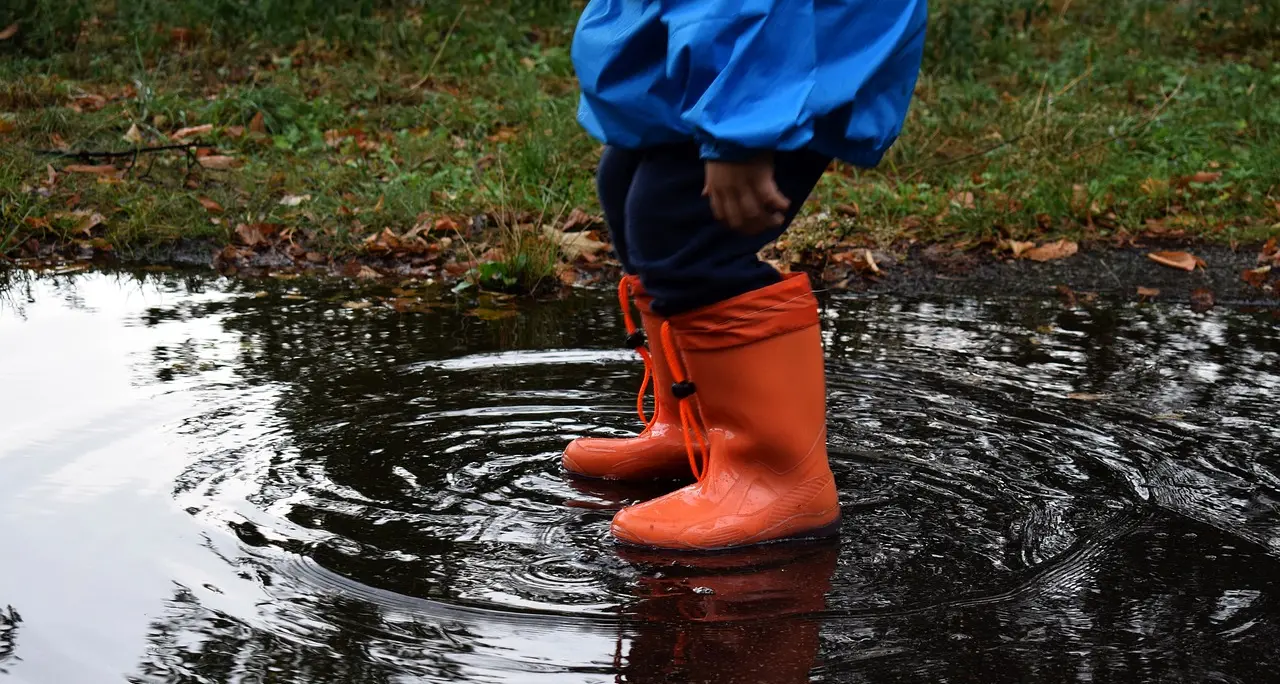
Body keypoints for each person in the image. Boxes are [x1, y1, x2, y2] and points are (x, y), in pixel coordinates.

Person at [563, 0, 928, 551]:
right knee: (628, 187)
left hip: (774, 61)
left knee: (683, 232)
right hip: (715, 54)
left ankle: (777, 478)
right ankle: (695, 431)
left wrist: (743, 127)